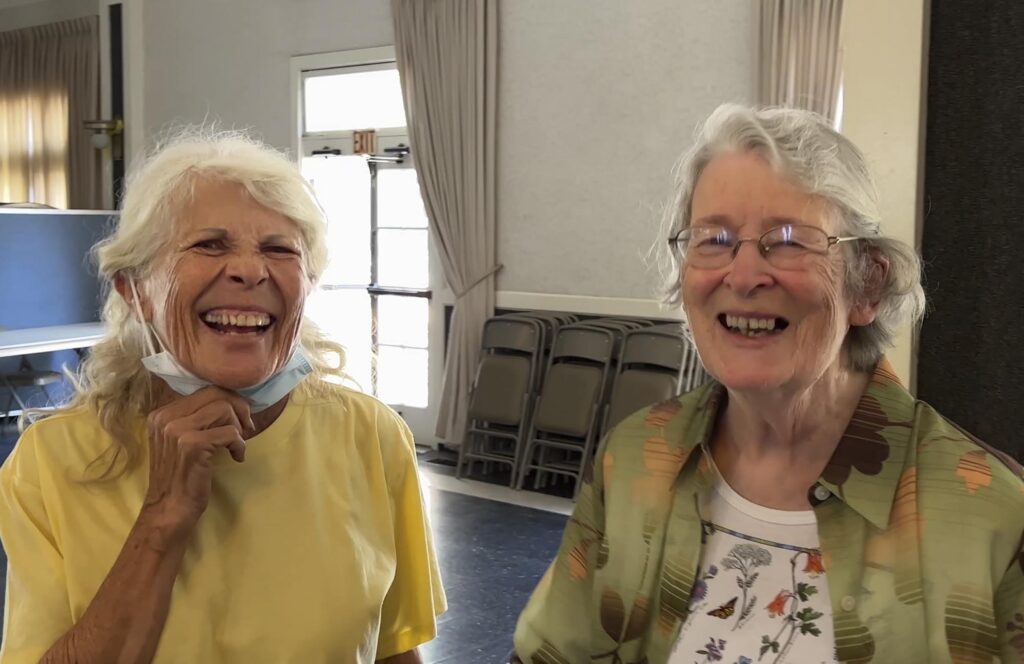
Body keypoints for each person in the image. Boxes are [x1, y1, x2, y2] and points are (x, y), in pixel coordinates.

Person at [512, 104, 1024, 663]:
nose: (744, 275)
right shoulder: (633, 460)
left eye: (789, 240)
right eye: (713, 239)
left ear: (867, 285)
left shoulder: (995, 517)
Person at [0, 130, 445, 663]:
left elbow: (395, 650)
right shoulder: (53, 463)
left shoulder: (369, 435)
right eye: (209, 244)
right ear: (135, 290)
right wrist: (162, 520)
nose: (250, 270)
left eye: (279, 249)